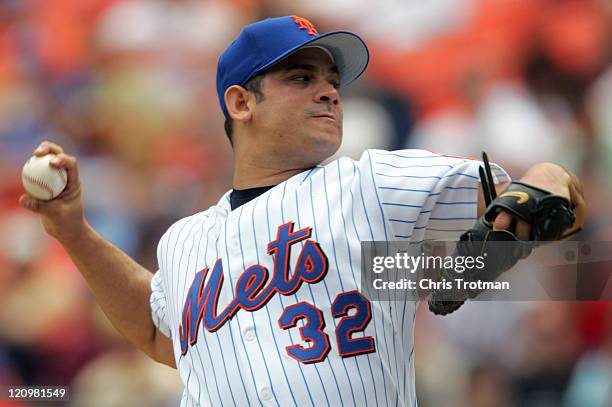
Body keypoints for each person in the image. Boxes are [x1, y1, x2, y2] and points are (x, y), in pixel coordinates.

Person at [20, 15, 585, 407]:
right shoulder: (184, 240)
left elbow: (546, 189)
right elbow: (153, 330)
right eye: (301, 77)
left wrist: (525, 218)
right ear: (240, 103)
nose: (330, 91)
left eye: (332, 80)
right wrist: (72, 231)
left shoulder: (370, 184)